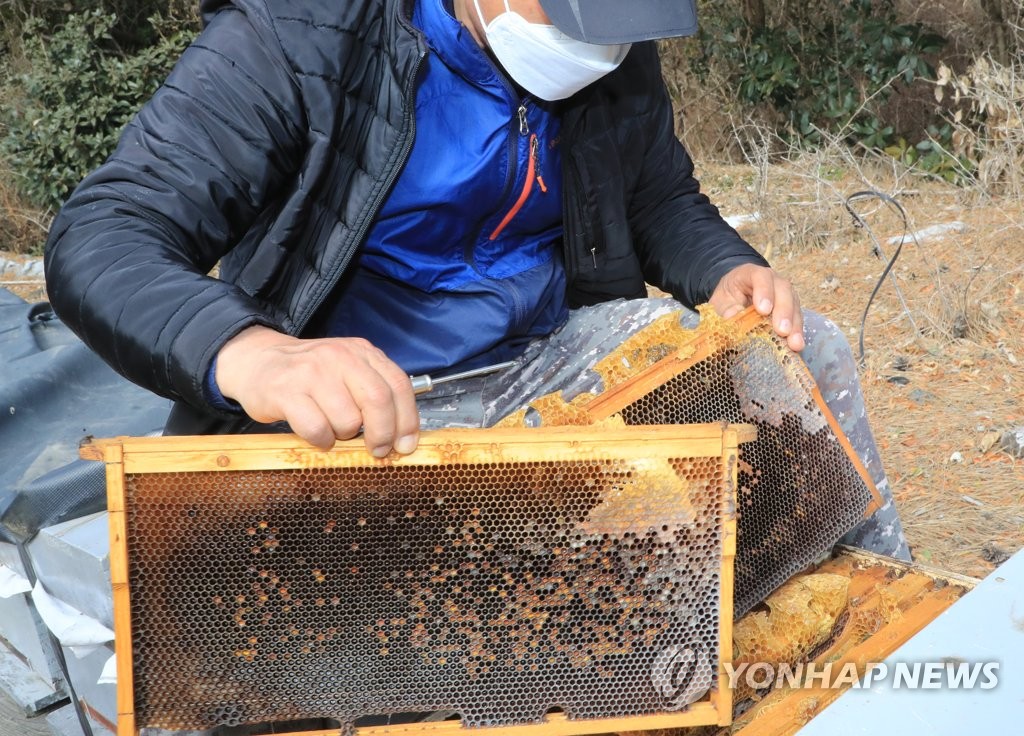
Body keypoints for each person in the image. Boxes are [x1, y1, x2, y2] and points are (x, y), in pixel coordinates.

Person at [43, 0, 909, 559]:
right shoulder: (296, 33)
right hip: (369, 406)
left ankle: (855, 622)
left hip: (546, 361)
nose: (595, 45)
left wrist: (725, 269)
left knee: (798, 355)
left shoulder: (616, 50)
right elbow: (105, 232)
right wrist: (252, 352)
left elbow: (659, 199)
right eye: (569, 16)